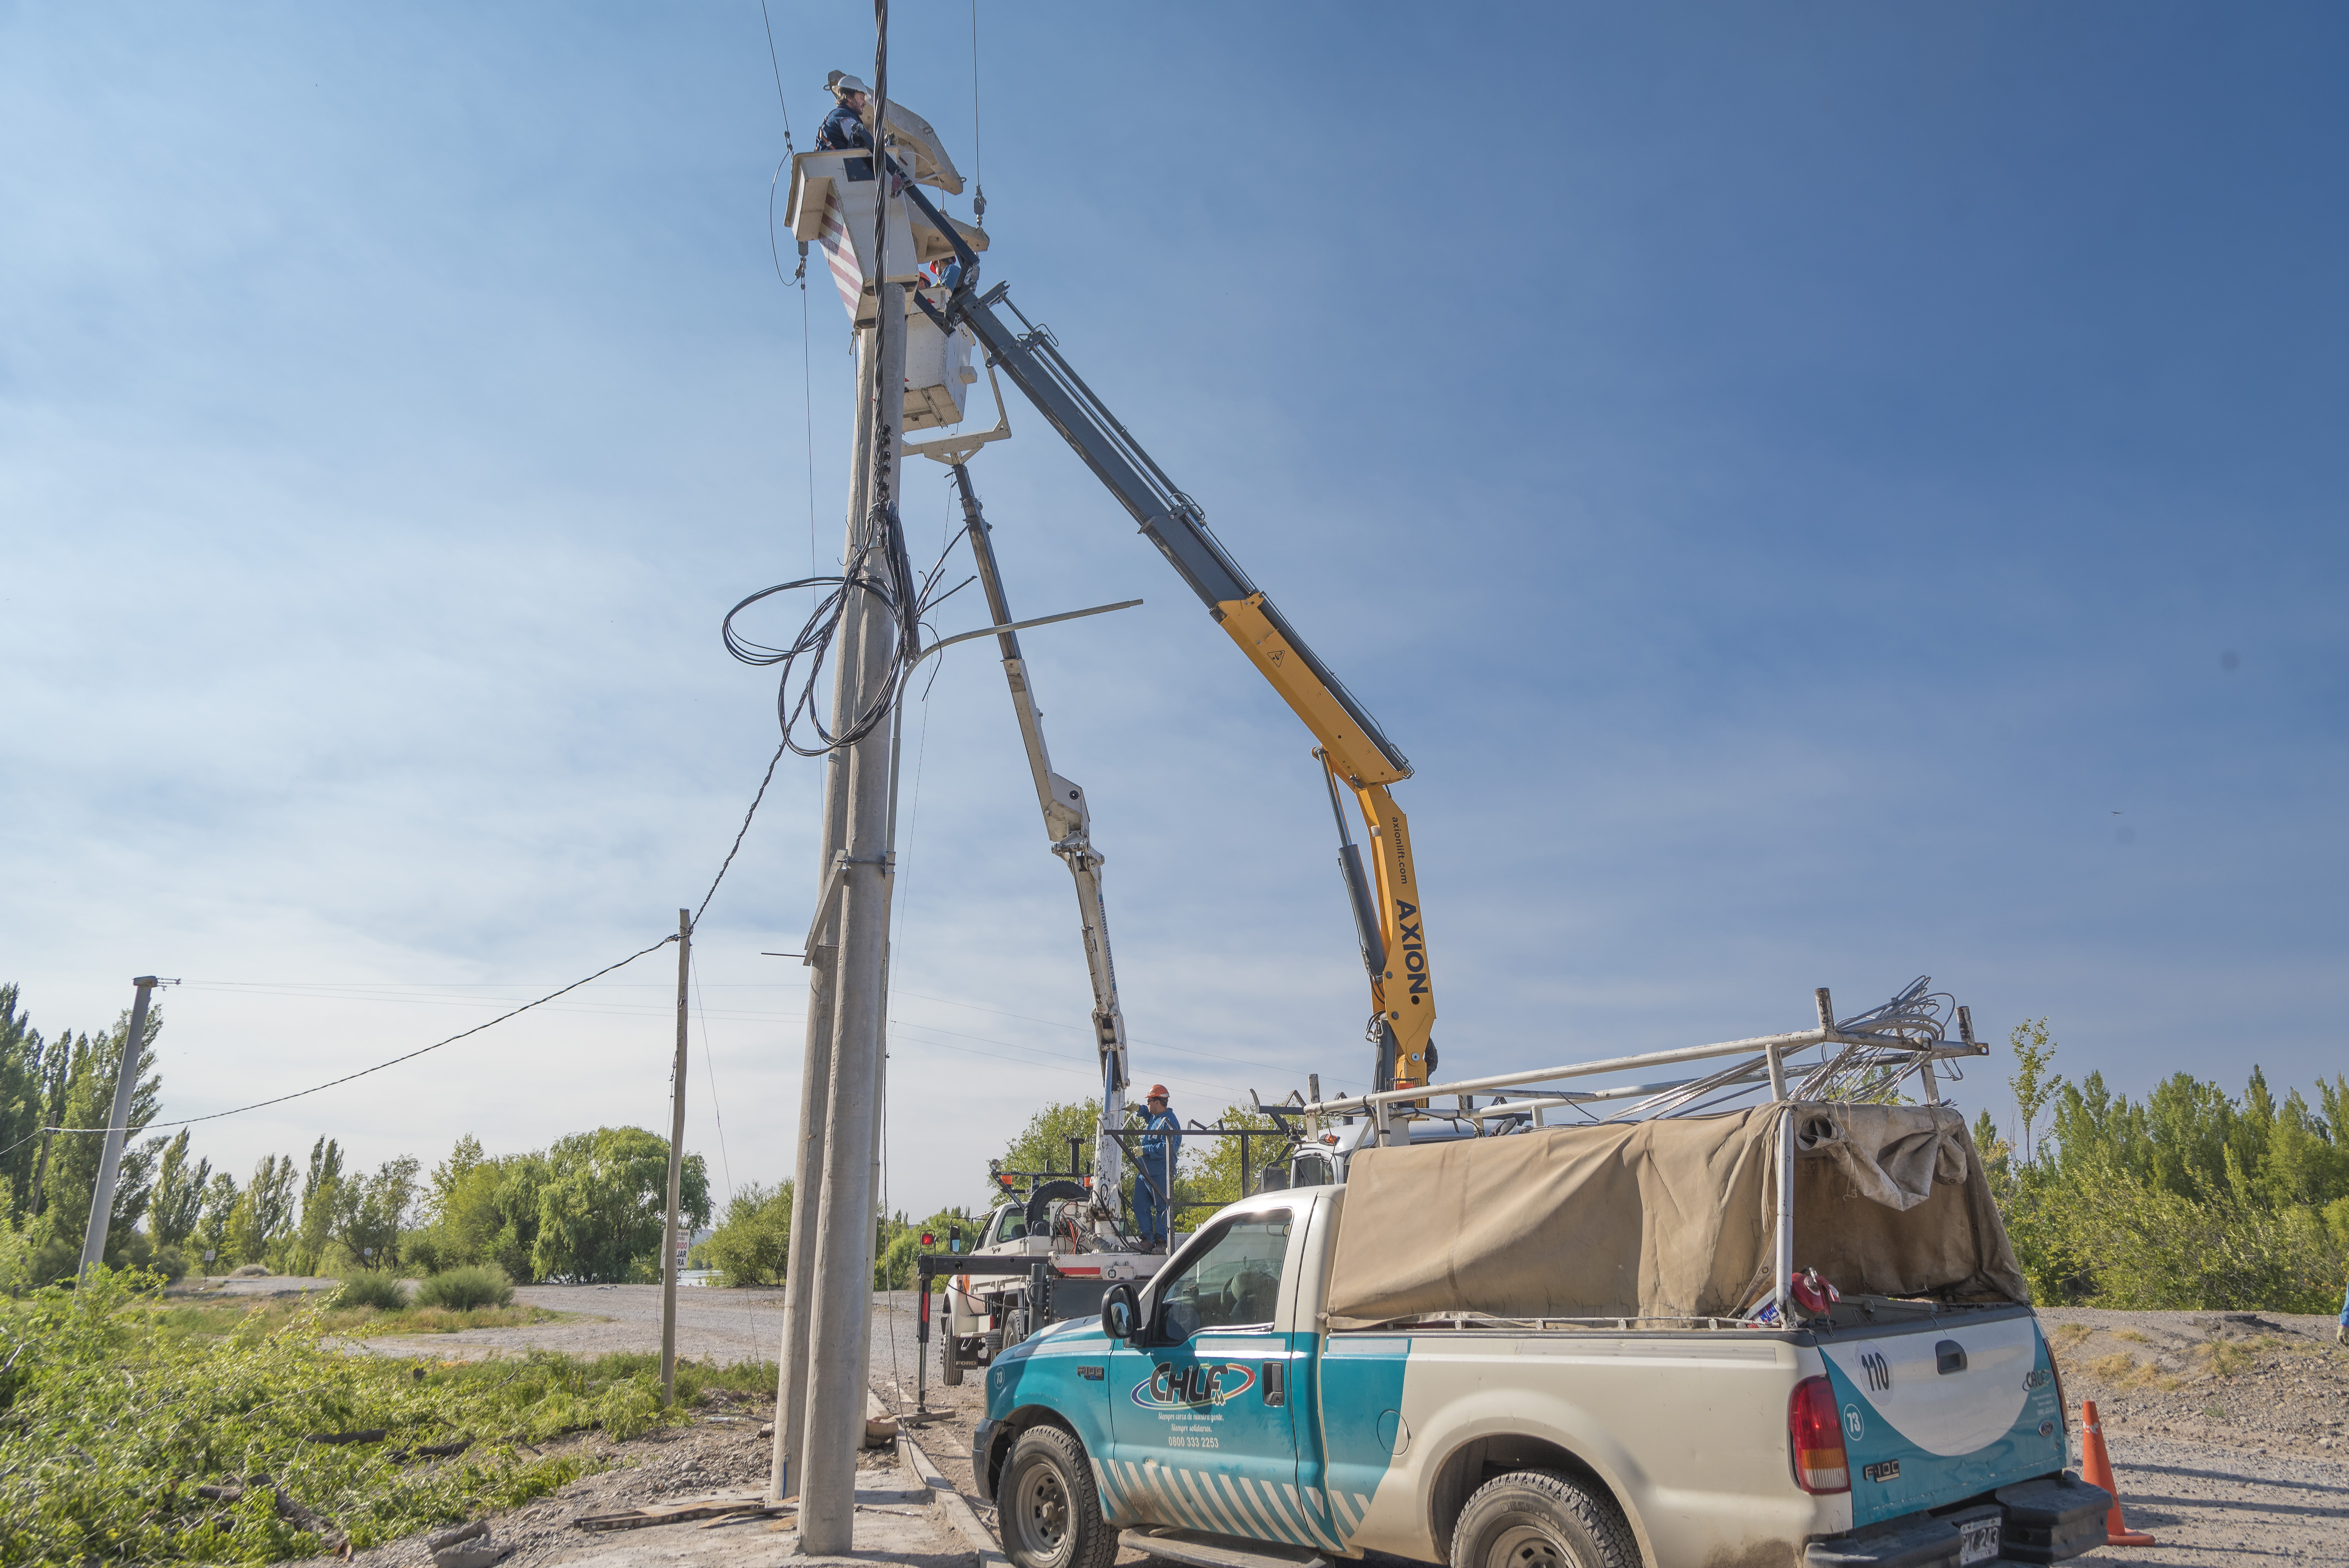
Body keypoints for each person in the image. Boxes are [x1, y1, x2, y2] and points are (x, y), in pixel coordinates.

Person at [1132, 1086, 1182, 1253]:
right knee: (1140, 1204)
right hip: (1145, 1171)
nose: (1147, 1105)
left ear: (1158, 1102)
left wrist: (1145, 1150)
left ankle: (1161, 1243)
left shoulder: (1170, 1122)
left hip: (1160, 1172)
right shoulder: (1157, 1118)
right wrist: (1139, 1110)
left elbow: (1167, 1147)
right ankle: (1147, 1240)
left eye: (1149, 1102)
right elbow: (1148, 1116)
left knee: (1162, 1207)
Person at [816, 72, 877, 176]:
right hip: (838, 171)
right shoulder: (844, 116)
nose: (865, 102)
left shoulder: (840, 115)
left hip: (832, 169)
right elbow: (866, 144)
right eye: (862, 98)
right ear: (849, 97)